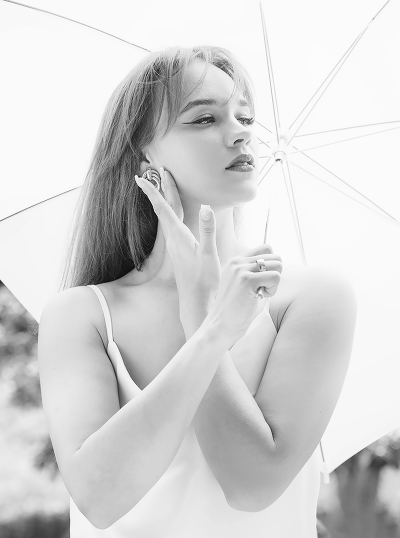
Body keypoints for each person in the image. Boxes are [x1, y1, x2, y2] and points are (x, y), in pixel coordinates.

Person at [37, 45, 357, 537]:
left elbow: (252, 487)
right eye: (205, 118)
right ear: (143, 153)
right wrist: (209, 330)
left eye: (245, 117)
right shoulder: (83, 314)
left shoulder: (309, 297)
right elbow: (99, 499)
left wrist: (199, 311)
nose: (241, 132)